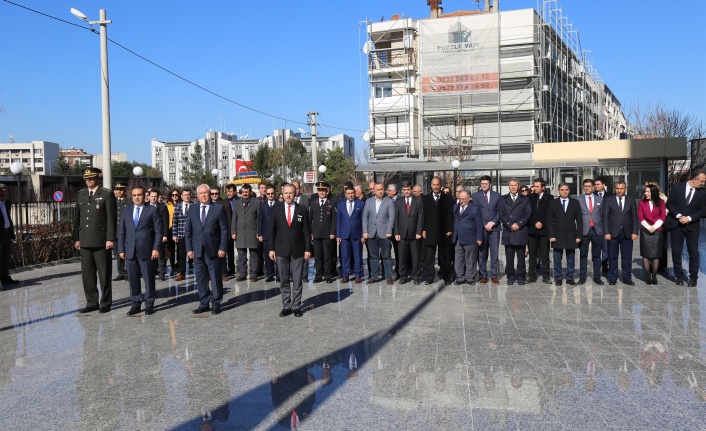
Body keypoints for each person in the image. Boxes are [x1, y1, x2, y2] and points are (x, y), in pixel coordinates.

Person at [73, 167, 117, 313]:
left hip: (101, 241)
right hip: (85, 241)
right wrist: (76, 239)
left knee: (104, 273)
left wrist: (110, 238)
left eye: (91, 178)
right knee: (87, 274)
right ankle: (91, 301)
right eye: (86, 179)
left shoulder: (106, 194)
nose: (88, 181)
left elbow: (111, 218)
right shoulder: (81, 194)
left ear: (97, 178)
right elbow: (77, 219)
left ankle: (105, 301)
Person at [269, 184, 312, 317]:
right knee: (284, 279)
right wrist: (271, 249)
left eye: (291, 193)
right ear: (282, 193)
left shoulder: (302, 209)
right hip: (281, 250)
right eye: (286, 193)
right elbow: (272, 231)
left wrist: (307, 249)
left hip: (298, 250)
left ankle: (296, 306)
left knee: (298, 279)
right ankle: (286, 305)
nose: (288, 195)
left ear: (295, 194)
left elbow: (306, 231)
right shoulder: (276, 209)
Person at [118, 186, 162, 315]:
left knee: (148, 278)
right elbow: (121, 232)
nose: (137, 197)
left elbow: (158, 231)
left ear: (145, 196)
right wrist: (121, 249)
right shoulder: (126, 211)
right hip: (130, 250)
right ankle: (135, 303)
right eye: (134, 195)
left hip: (147, 250)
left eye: (139, 195)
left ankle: (149, 303)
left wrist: (156, 248)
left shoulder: (152, 210)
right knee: (133, 279)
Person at [186, 184, 229, 315]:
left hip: (214, 249)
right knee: (200, 278)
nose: (204, 195)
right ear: (197, 196)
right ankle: (204, 302)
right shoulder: (192, 209)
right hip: (197, 250)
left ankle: (216, 303)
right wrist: (189, 249)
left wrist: (222, 247)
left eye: (206, 193)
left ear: (210, 194)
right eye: (201, 193)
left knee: (215, 277)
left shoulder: (218, 208)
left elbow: (224, 230)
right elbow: (188, 231)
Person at [666, 169, 706, 286]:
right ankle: (679, 276)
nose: (703, 184)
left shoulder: (702, 193)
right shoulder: (677, 187)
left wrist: (689, 218)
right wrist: (679, 216)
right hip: (676, 225)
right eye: (702, 181)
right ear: (695, 179)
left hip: (692, 226)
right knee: (676, 251)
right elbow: (670, 204)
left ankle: (693, 278)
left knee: (693, 252)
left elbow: (703, 210)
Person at [602, 181, 638, 286]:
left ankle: (627, 277)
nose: (619, 190)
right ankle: (612, 277)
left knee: (627, 257)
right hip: (612, 233)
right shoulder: (608, 200)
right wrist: (606, 232)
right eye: (617, 188)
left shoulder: (631, 200)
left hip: (627, 233)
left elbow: (634, 218)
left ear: (625, 189)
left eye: (621, 188)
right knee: (612, 257)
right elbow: (605, 218)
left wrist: (635, 232)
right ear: (614, 189)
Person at [547, 183, 582, 285]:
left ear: (569, 190)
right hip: (557, 235)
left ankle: (570, 277)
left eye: (566, 189)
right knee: (557, 258)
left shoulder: (575, 203)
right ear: (559, 191)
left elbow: (579, 220)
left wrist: (579, 235)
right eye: (562, 190)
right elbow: (549, 220)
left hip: (571, 234)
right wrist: (551, 235)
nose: (564, 191)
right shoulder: (553, 203)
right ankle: (558, 277)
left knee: (570, 258)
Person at [421, 177, 455, 285]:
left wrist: (450, 229)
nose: (436, 187)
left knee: (445, 256)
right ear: (431, 185)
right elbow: (423, 215)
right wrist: (423, 229)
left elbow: (450, 215)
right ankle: (429, 277)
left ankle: (447, 277)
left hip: (443, 231)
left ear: (441, 185)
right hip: (429, 231)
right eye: (434, 185)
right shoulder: (425, 198)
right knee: (429, 257)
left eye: (437, 184)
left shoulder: (448, 198)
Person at [498, 178, 531, 285]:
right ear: (509, 186)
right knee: (509, 256)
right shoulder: (503, 199)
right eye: (511, 185)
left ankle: (521, 277)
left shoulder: (525, 199)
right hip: (509, 231)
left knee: (521, 257)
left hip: (520, 231)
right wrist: (510, 224)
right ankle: (510, 276)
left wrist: (519, 224)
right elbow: (501, 214)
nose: (513, 187)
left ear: (518, 186)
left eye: (515, 185)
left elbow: (528, 213)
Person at [363, 182, 396, 284]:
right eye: (378, 189)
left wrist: (389, 230)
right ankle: (374, 276)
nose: (380, 191)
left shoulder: (389, 201)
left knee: (386, 256)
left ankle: (388, 276)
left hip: (385, 233)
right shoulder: (368, 202)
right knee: (373, 256)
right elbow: (365, 217)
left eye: (381, 189)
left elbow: (392, 217)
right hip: (372, 233)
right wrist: (365, 231)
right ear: (374, 191)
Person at [472, 175, 501, 284]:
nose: (484, 185)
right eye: (482, 183)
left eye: (486, 184)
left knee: (494, 253)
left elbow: (500, 212)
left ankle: (494, 275)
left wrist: (493, 222)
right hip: (482, 228)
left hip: (495, 228)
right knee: (482, 253)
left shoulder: (497, 196)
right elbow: (475, 212)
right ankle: (483, 275)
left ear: (490, 185)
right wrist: (484, 224)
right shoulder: (476, 196)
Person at [394, 181, 424, 285]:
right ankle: (403, 276)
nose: (406, 192)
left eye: (408, 190)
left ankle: (416, 276)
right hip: (402, 233)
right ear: (402, 190)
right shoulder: (398, 201)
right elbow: (396, 217)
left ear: (411, 190)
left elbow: (421, 217)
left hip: (415, 233)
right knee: (402, 256)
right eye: (404, 190)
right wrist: (396, 232)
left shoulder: (418, 200)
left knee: (416, 257)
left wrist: (419, 231)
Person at [452, 190, 483, 285]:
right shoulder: (455, 207)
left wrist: (479, 238)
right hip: (458, 238)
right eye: (460, 198)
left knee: (470, 260)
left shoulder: (474, 208)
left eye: (463, 199)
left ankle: (470, 278)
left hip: (470, 238)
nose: (461, 201)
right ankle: (460, 277)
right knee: (458, 259)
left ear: (469, 199)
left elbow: (479, 225)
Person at [231, 183, 260, 282]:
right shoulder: (237, 202)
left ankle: (253, 274)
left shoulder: (256, 202)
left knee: (254, 255)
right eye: (243, 192)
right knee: (241, 255)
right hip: (240, 233)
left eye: (246, 192)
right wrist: (233, 231)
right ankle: (242, 274)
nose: (244, 194)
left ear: (250, 192)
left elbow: (259, 219)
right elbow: (234, 218)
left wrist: (258, 232)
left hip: (253, 232)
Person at [578, 179, 605, 285]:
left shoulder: (600, 199)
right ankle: (582, 277)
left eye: (589, 186)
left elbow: (603, 215)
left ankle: (597, 277)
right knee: (583, 255)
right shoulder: (579, 200)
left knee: (597, 255)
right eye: (585, 186)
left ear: (593, 187)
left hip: (597, 231)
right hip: (584, 231)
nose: (587, 188)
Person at [639, 184, 667, 285]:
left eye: (648, 192)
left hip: (657, 230)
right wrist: (648, 227)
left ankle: (654, 276)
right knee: (645, 254)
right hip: (645, 230)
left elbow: (663, 216)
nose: (646, 193)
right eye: (645, 191)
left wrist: (654, 227)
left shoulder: (661, 202)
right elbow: (640, 217)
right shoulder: (642, 202)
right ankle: (647, 276)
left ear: (653, 192)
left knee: (656, 255)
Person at [336, 186, 365, 283]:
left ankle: (358, 275)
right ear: (345, 194)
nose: (350, 195)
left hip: (357, 234)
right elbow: (338, 221)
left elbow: (363, 220)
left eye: (352, 193)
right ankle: (345, 275)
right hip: (344, 235)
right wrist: (338, 235)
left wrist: (363, 235)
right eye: (348, 193)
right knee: (345, 256)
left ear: (355, 193)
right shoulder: (340, 205)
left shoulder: (360, 204)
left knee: (357, 256)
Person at [310, 181, 337, 283]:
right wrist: (310, 233)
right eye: (320, 190)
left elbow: (334, 219)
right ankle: (318, 275)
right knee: (317, 256)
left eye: (323, 190)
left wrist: (333, 232)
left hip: (327, 233)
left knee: (327, 256)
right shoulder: (313, 203)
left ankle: (328, 275)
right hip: (316, 233)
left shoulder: (331, 203)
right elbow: (309, 219)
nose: (321, 192)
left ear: (327, 191)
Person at [527, 178, 553, 284]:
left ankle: (546, 275)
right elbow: (528, 213)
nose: (535, 188)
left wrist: (542, 223)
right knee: (532, 255)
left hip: (544, 230)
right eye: (534, 186)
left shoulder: (549, 198)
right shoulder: (529, 198)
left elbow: (550, 214)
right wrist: (534, 223)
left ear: (543, 187)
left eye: (537, 186)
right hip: (532, 230)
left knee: (545, 254)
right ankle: (532, 275)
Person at [257, 185, 278, 282]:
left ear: (275, 193)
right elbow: (260, 220)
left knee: (278, 255)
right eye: (268, 193)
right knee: (267, 255)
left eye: (272, 193)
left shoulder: (279, 204)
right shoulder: (262, 205)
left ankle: (279, 274)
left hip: (278, 234)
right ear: (266, 194)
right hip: (265, 234)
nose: (270, 195)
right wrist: (259, 233)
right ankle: (270, 274)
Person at [148, 189, 170, 281]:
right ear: (149, 197)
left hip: (159, 235)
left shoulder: (162, 207)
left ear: (158, 197)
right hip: (149, 236)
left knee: (160, 256)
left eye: (155, 196)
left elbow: (166, 221)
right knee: (150, 255)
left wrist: (165, 235)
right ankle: (151, 273)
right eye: (152, 196)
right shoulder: (146, 207)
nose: (153, 198)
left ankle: (162, 274)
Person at [171, 189, 193, 281]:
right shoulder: (178, 206)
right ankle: (181, 273)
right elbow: (174, 221)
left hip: (192, 235)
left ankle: (201, 272)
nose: (187, 196)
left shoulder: (194, 205)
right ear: (182, 196)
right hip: (181, 234)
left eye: (188, 195)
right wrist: (174, 234)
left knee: (195, 253)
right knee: (181, 255)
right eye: (185, 195)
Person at [0, 184, 16, 284]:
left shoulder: (7, 203)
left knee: (6, 257)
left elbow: (8, 218)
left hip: (7, 233)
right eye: (1, 191)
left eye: (4, 192)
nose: (3, 193)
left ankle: (5, 278)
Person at [594, 177, 611, 275]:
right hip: (596, 225)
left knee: (606, 247)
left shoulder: (610, 196)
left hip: (607, 225)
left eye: (598, 184)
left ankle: (605, 265)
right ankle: (596, 265)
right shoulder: (592, 195)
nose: (596, 186)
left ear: (603, 185)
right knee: (597, 247)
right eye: (595, 184)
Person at [112, 182, 128, 282]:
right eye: (117, 189)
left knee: (129, 252)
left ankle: (130, 272)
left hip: (127, 231)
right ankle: (121, 272)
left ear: (125, 190)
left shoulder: (129, 201)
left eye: (121, 189)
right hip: (117, 232)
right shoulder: (113, 201)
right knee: (118, 253)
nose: (119, 191)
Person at [223, 184, 239, 277]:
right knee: (229, 251)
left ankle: (242, 269)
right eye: (227, 191)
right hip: (229, 229)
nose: (228, 193)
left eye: (230, 191)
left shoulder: (239, 200)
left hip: (239, 228)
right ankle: (231, 268)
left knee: (241, 250)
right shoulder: (224, 202)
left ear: (235, 191)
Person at [165, 188, 180, 276]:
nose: (174, 197)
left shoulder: (181, 205)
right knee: (171, 250)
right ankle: (172, 266)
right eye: (173, 195)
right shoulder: (167, 205)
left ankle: (178, 265)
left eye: (176, 195)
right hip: (170, 229)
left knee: (180, 250)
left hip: (179, 229)